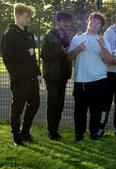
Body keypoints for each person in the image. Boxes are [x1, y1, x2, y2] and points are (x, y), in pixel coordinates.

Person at [67, 12, 116, 141]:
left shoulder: (103, 40)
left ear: (100, 27)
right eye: (93, 21)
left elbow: (109, 60)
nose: (95, 24)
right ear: (88, 21)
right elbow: (68, 57)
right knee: (79, 110)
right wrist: (77, 50)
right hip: (80, 80)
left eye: (98, 23)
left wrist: (103, 45)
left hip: (99, 80)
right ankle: (79, 134)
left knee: (96, 110)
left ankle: (94, 133)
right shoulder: (77, 38)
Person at [1, 3, 41, 146]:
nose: (29, 19)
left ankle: (25, 133)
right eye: (26, 16)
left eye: (30, 17)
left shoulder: (29, 34)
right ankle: (16, 137)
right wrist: (26, 53)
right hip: (19, 79)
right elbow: (7, 57)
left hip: (32, 78)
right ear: (17, 16)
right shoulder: (9, 35)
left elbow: (33, 58)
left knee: (35, 104)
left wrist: (38, 73)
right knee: (17, 108)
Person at [41, 11, 73, 141]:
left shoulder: (66, 36)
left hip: (63, 75)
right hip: (52, 76)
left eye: (68, 21)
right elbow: (44, 55)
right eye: (63, 21)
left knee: (60, 104)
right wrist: (60, 51)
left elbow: (68, 54)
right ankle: (51, 132)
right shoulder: (50, 35)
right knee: (53, 104)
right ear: (57, 22)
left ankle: (55, 130)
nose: (66, 24)